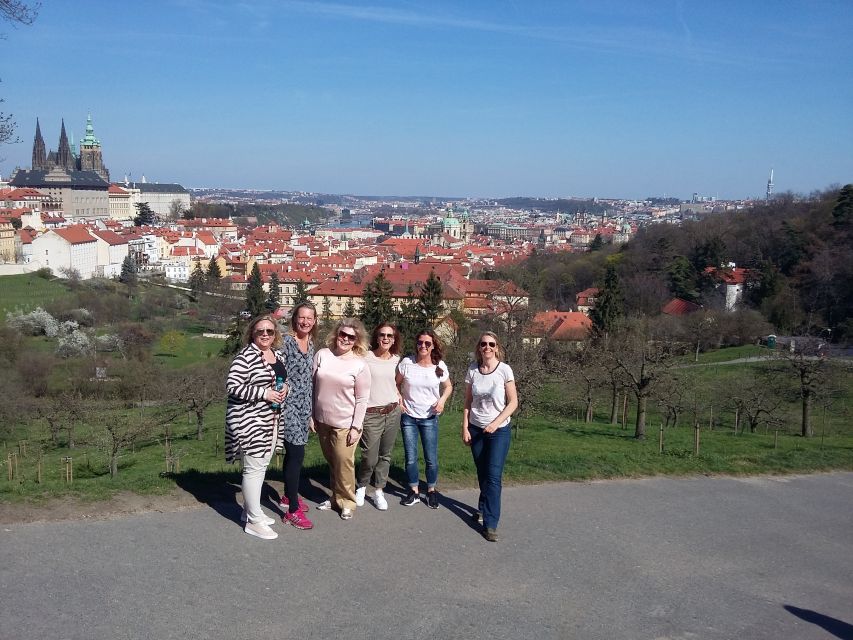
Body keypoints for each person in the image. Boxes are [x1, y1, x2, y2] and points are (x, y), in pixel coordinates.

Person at [225, 315, 289, 540]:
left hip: (271, 420)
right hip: (249, 421)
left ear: (275, 334)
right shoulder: (246, 356)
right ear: (252, 333)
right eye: (260, 331)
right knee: (253, 468)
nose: (265, 334)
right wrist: (264, 393)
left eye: (269, 331)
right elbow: (233, 386)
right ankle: (253, 521)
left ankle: (249, 511)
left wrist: (284, 390)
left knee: (260, 466)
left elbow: (281, 379)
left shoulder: (277, 354)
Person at [312, 318, 371, 520]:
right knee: (332, 462)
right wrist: (312, 415)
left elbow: (363, 399)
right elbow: (313, 388)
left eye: (350, 337)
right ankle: (336, 496)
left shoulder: (359, 364)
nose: (345, 339)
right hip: (322, 420)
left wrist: (356, 427)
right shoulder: (322, 355)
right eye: (342, 334)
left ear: (357, 340)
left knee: (344, 462)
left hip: (345, 423)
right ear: (336, 334)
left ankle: (348, 502)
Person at [461, 331, 518, 542]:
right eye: (483, 343)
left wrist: (495, 423)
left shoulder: (504, 370)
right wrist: (465, 427)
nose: (487, 347)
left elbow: (513, 402)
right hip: (476, 429)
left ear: (497, 347)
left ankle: (491, 523)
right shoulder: (473, 370)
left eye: (491, 344)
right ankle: (483, 507)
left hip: (498, 431)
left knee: (493, 476)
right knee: (482, 473)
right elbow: (467, 402)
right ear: (479, 347)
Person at [396, 328, 452, 509]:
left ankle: (431, 491)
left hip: (429, 418)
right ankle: (413, 491)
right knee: (411, 458)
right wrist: (399, 399)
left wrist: (442, 400)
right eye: (420, 342)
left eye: (427, 343)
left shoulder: (439, 366)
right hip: (409, 417)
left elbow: (449, 386)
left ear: (433, 345)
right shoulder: (407, 362)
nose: (423, 346)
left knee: (431, 458)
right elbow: (396, 383)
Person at [276, 302, 317, 530]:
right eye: (302, 317)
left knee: (294, 456)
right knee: (296, 454)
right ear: (295, 319)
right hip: (289, 405)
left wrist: (311, 412)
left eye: (309, 318)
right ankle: (292, 509)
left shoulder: (311, 344)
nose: (305, 321)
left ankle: (287, 495)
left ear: (314, 321)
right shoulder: (286, 342)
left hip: (304, 408)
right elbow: (278, 371)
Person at [355, 323, 402, 511]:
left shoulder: (397, 360)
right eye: (382, 334)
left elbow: (399, 383)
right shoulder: (365, 357)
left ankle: (379, 490)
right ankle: (361, 486)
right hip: (371, 414)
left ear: (394, 339)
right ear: (376, 337)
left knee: (385, 455)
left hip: (392, 412)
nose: (385, 338)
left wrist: (400, 398)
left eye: (390, 335)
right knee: (369, 457)